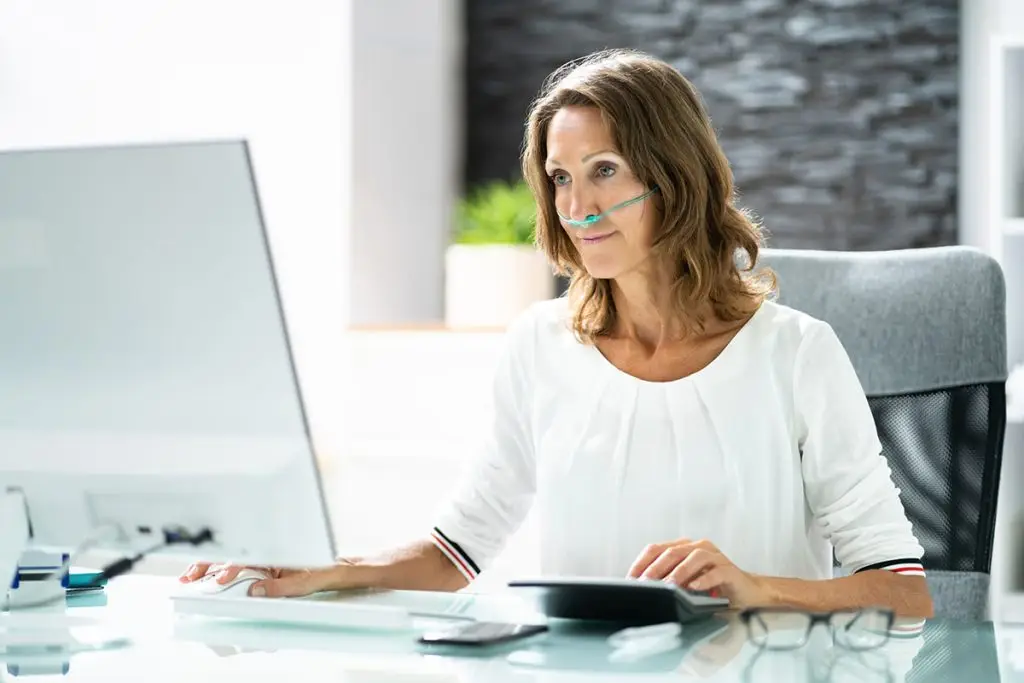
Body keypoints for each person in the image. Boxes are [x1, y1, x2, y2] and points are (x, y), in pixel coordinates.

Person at [181, 48, 934, 618]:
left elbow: (903, 590)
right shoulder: (540, 345)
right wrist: (324, 569)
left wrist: (752, 586)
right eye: (561, 177)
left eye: (604, 169)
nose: (578, 205)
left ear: (674, 175)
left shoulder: (797, 354)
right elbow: (456, 549)